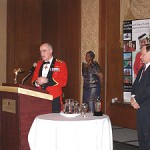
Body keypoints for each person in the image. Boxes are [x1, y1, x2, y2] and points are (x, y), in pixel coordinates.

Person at [31, 43, 68, 113]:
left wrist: (47, 80)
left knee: (54, 121)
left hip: (54, 98)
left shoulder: (60, 64)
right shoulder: (38, 64)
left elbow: (63, 81)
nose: (42, 53)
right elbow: (33, 80)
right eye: (40, 51)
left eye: (44, 50)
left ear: (51, 51)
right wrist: (37, 82)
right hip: (40, 97)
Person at [131, 44, 150, 150]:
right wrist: (133, 97)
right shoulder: (143, 68)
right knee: (141, 137)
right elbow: (136, 84)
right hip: (140, 108)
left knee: (147, 137)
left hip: (147, 108)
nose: (140, 57)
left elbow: (148, 89)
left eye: (143, 54)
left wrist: (137, 100)